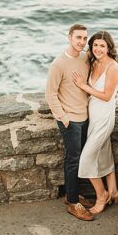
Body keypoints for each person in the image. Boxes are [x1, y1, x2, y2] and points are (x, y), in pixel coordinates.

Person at [44, 23, 94, 221]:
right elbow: (50, 94)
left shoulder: (85, 58)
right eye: (78, 38)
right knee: (72, 160)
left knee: (81, 158)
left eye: (84, 38)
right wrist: (63, 119)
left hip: (84, 116)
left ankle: (73, 194)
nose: (82, 42)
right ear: (69, 38)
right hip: (70, 120)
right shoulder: (58, 63)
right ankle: (73, 203)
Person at [73, 30, 118, 215]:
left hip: (104, 117)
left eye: (102, 46)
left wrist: (83, 86)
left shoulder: (112, 67)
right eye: (95, 45)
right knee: (104, 153)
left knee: (86, 159)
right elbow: (76, 54)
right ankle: (114, 190)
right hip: (93, 117)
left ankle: (102, 195)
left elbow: (107, 96)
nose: (98, 49)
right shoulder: (93, 61)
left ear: (109, 47)